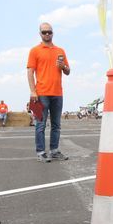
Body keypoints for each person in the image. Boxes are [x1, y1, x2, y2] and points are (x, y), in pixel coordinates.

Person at [27, 22, 70, 162]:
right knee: (40, 124)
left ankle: (54, 151)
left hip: (57, 93)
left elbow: (68, 71)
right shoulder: (35, 50)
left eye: (49, 32)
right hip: (41, 93)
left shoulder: (60, 51)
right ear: (40, 34)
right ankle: (40, 152)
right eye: (44, 32)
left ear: (53, 33)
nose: (47, 34)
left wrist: (63, 66)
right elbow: (30, 72)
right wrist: (33, 91)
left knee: (56, 125)